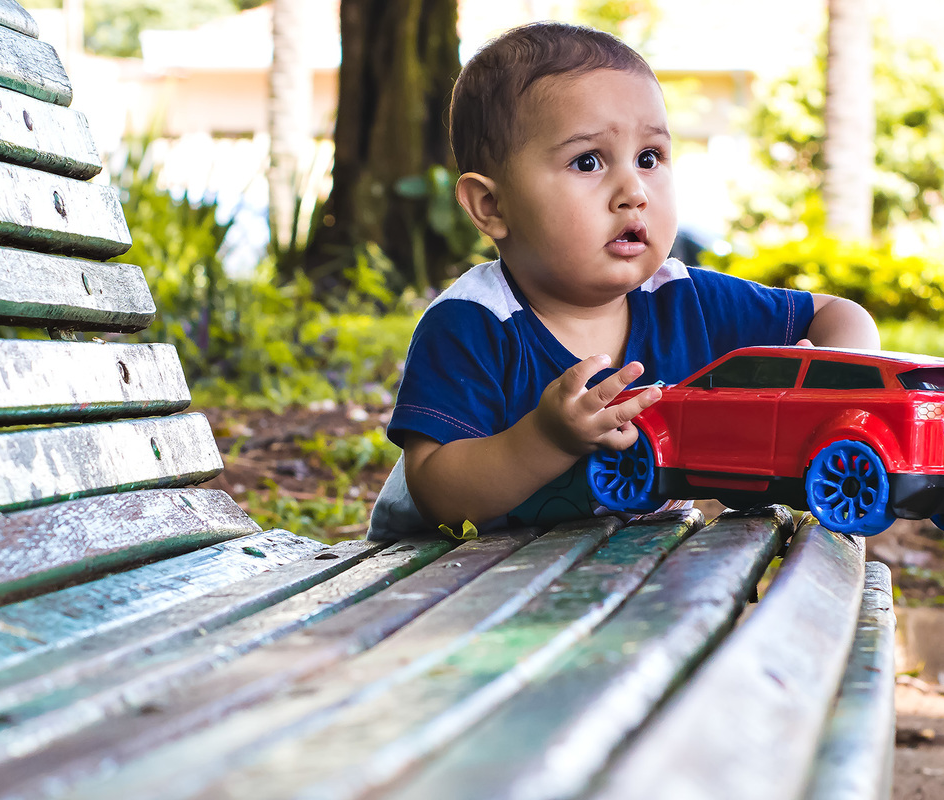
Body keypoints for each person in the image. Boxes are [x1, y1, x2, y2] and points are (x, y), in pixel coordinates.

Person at [367, 21, 880, 540]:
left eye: (650, 158)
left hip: (630, 578)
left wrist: (833, 380)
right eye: (587, 161)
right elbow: (438, 495)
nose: (633, 190)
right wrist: (545, 439)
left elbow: (839, 316)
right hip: (448, 585)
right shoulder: (474, 323)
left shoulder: (685, 299)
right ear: (492, 206)